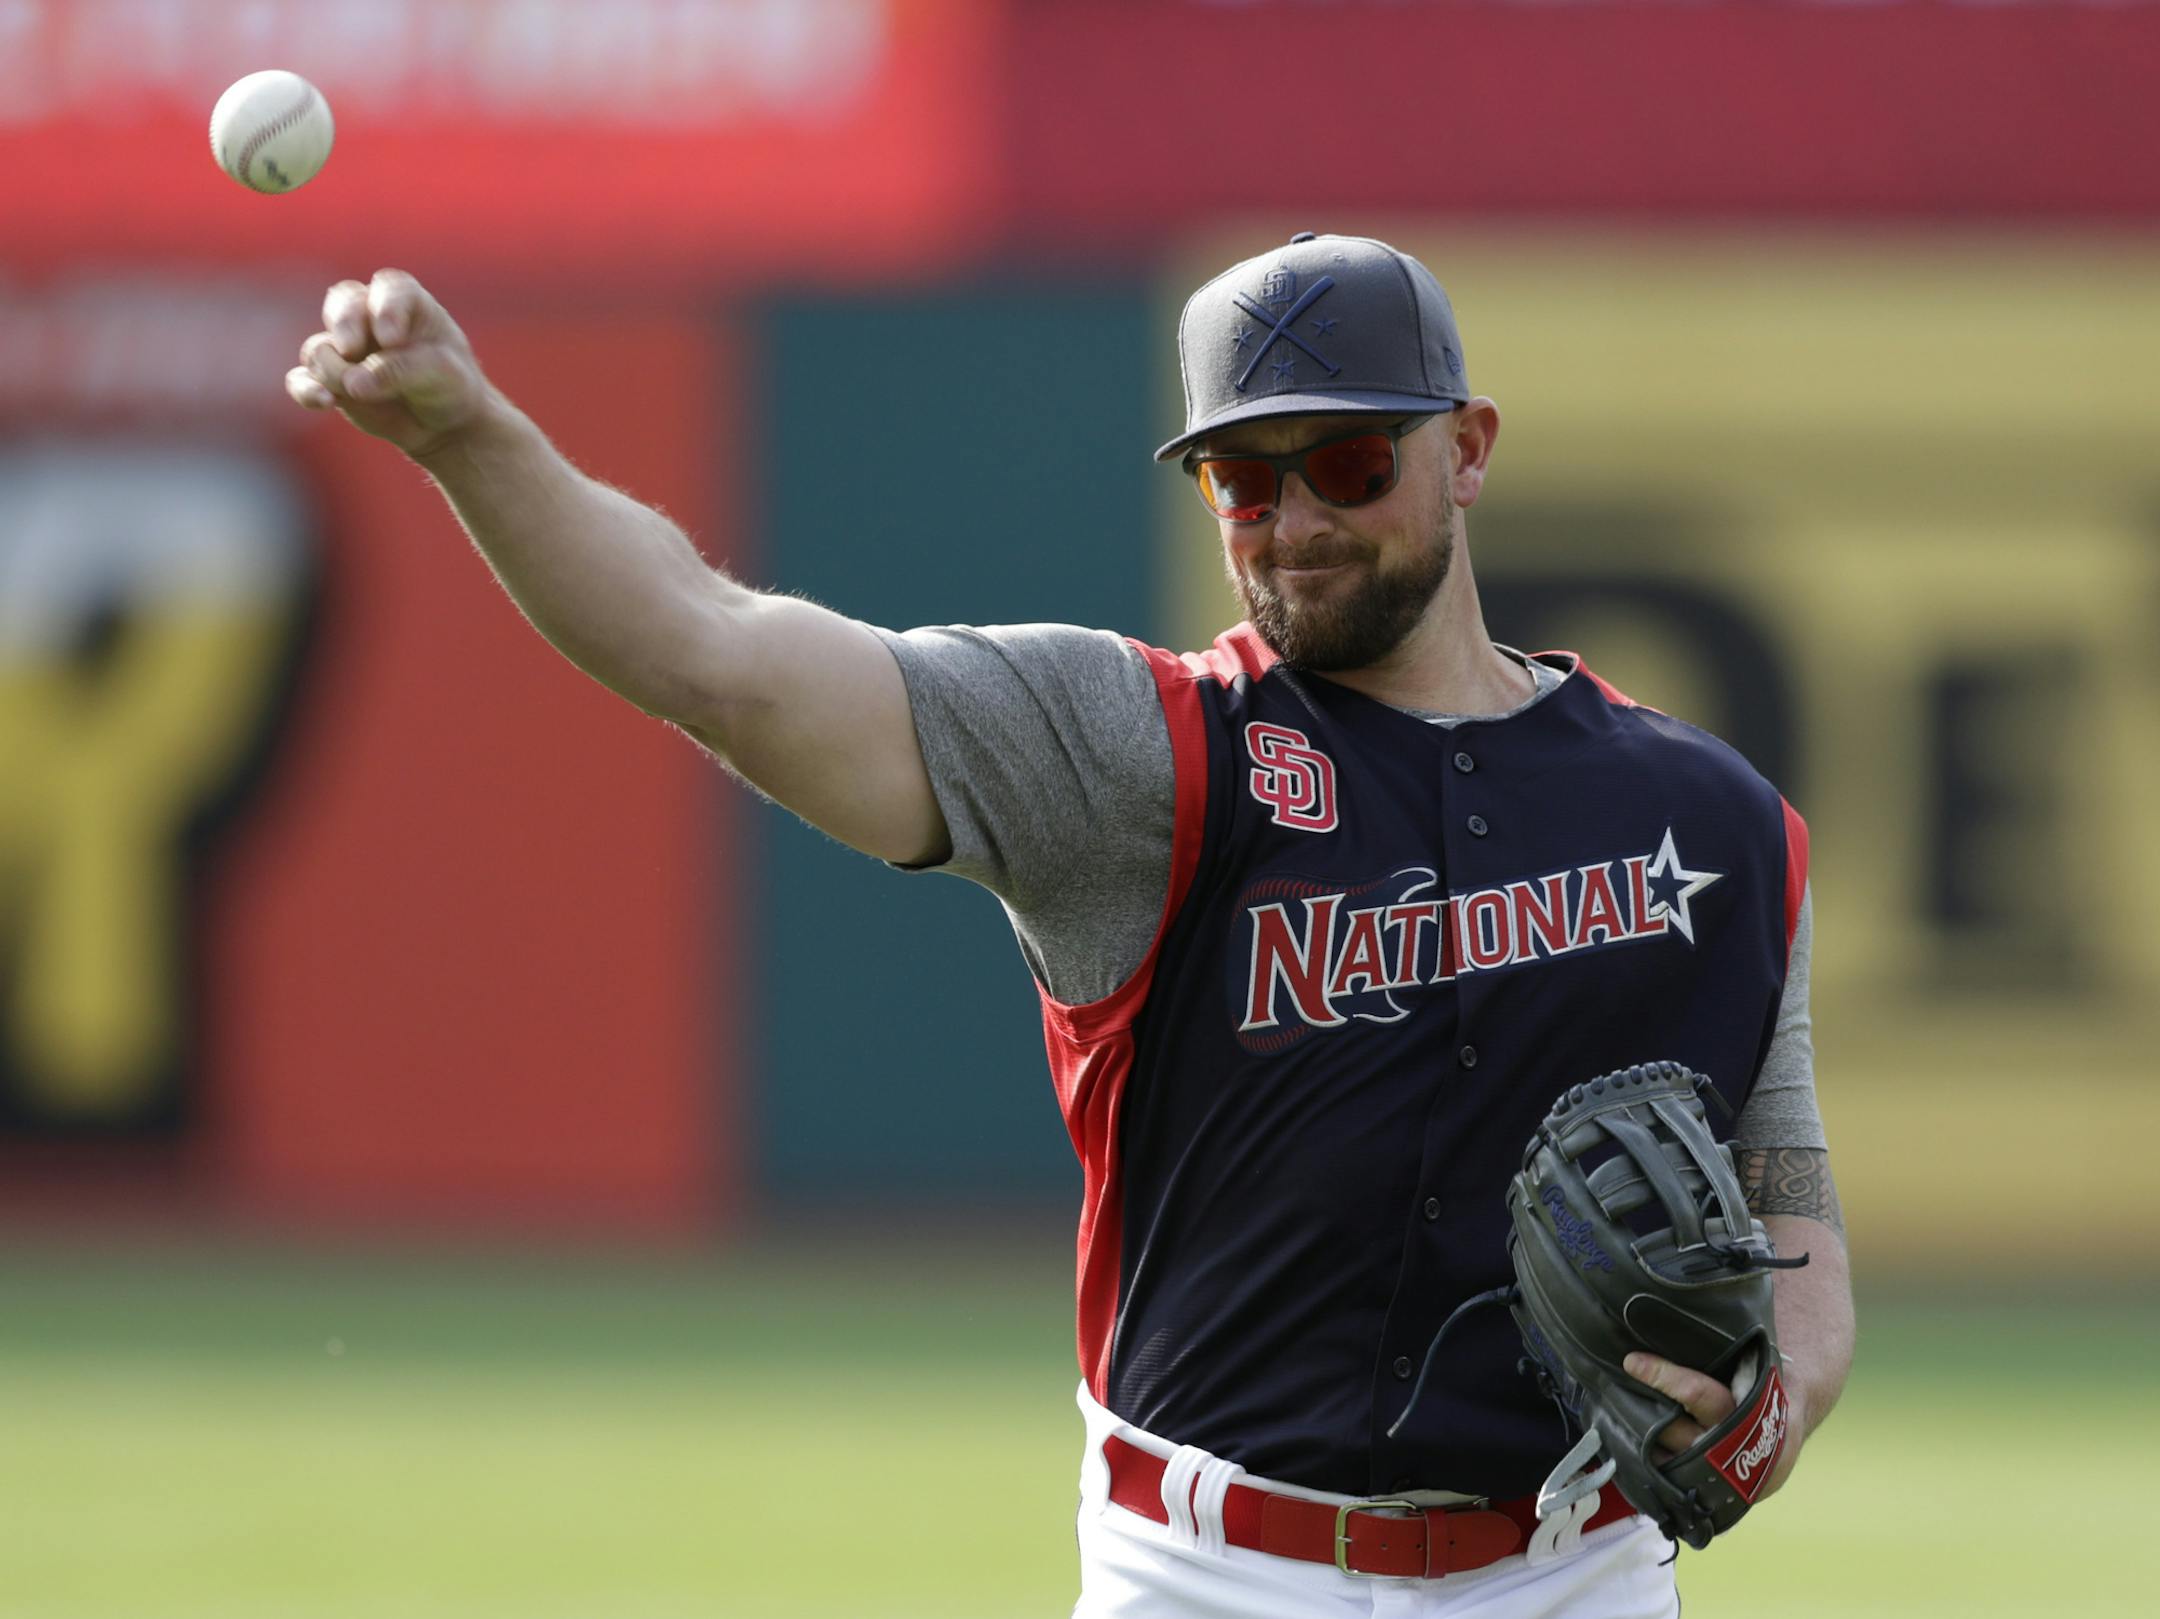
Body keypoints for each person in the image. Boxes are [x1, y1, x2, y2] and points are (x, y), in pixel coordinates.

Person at [286, 233, 1854, 1617]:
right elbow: (721, 654)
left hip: (1575, 1577)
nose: (1295, 518)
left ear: (1469, 448)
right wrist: (472, 437)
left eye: (1348, 461)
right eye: (1243, 478)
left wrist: (1771, 1409)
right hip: (1215, 1577)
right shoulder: (1139, 759)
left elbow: (1790, 1216)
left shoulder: (1707, 821)